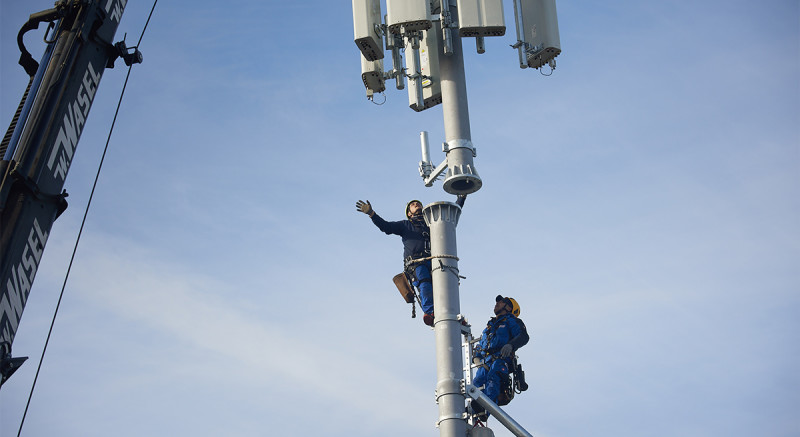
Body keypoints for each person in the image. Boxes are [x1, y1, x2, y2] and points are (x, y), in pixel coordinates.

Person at [356, 199, 436, 326]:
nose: (416, 205)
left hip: (432, 262)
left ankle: (448, 313)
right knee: (424, 284)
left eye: (418, 204)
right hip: (416, 263)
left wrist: (461, 198)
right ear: (409, 213)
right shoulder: (405, 225)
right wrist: (371, 213)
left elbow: (448, 220)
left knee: (443, 285)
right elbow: (386, 227)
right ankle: (430, 312)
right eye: (413, 205)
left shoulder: (432, 226)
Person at [471, 295, 529, 413]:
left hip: (501, 359)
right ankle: (473, 410)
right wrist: (476, 357)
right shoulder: (490, 326)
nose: (497, 304)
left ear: (508, 307)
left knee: (493, 378)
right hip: (486, 361)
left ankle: (485, 409)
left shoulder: (511, 321)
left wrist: (511, 345)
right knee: (476, 384)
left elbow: (523, 336)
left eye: (502, 302)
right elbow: (482, 344)